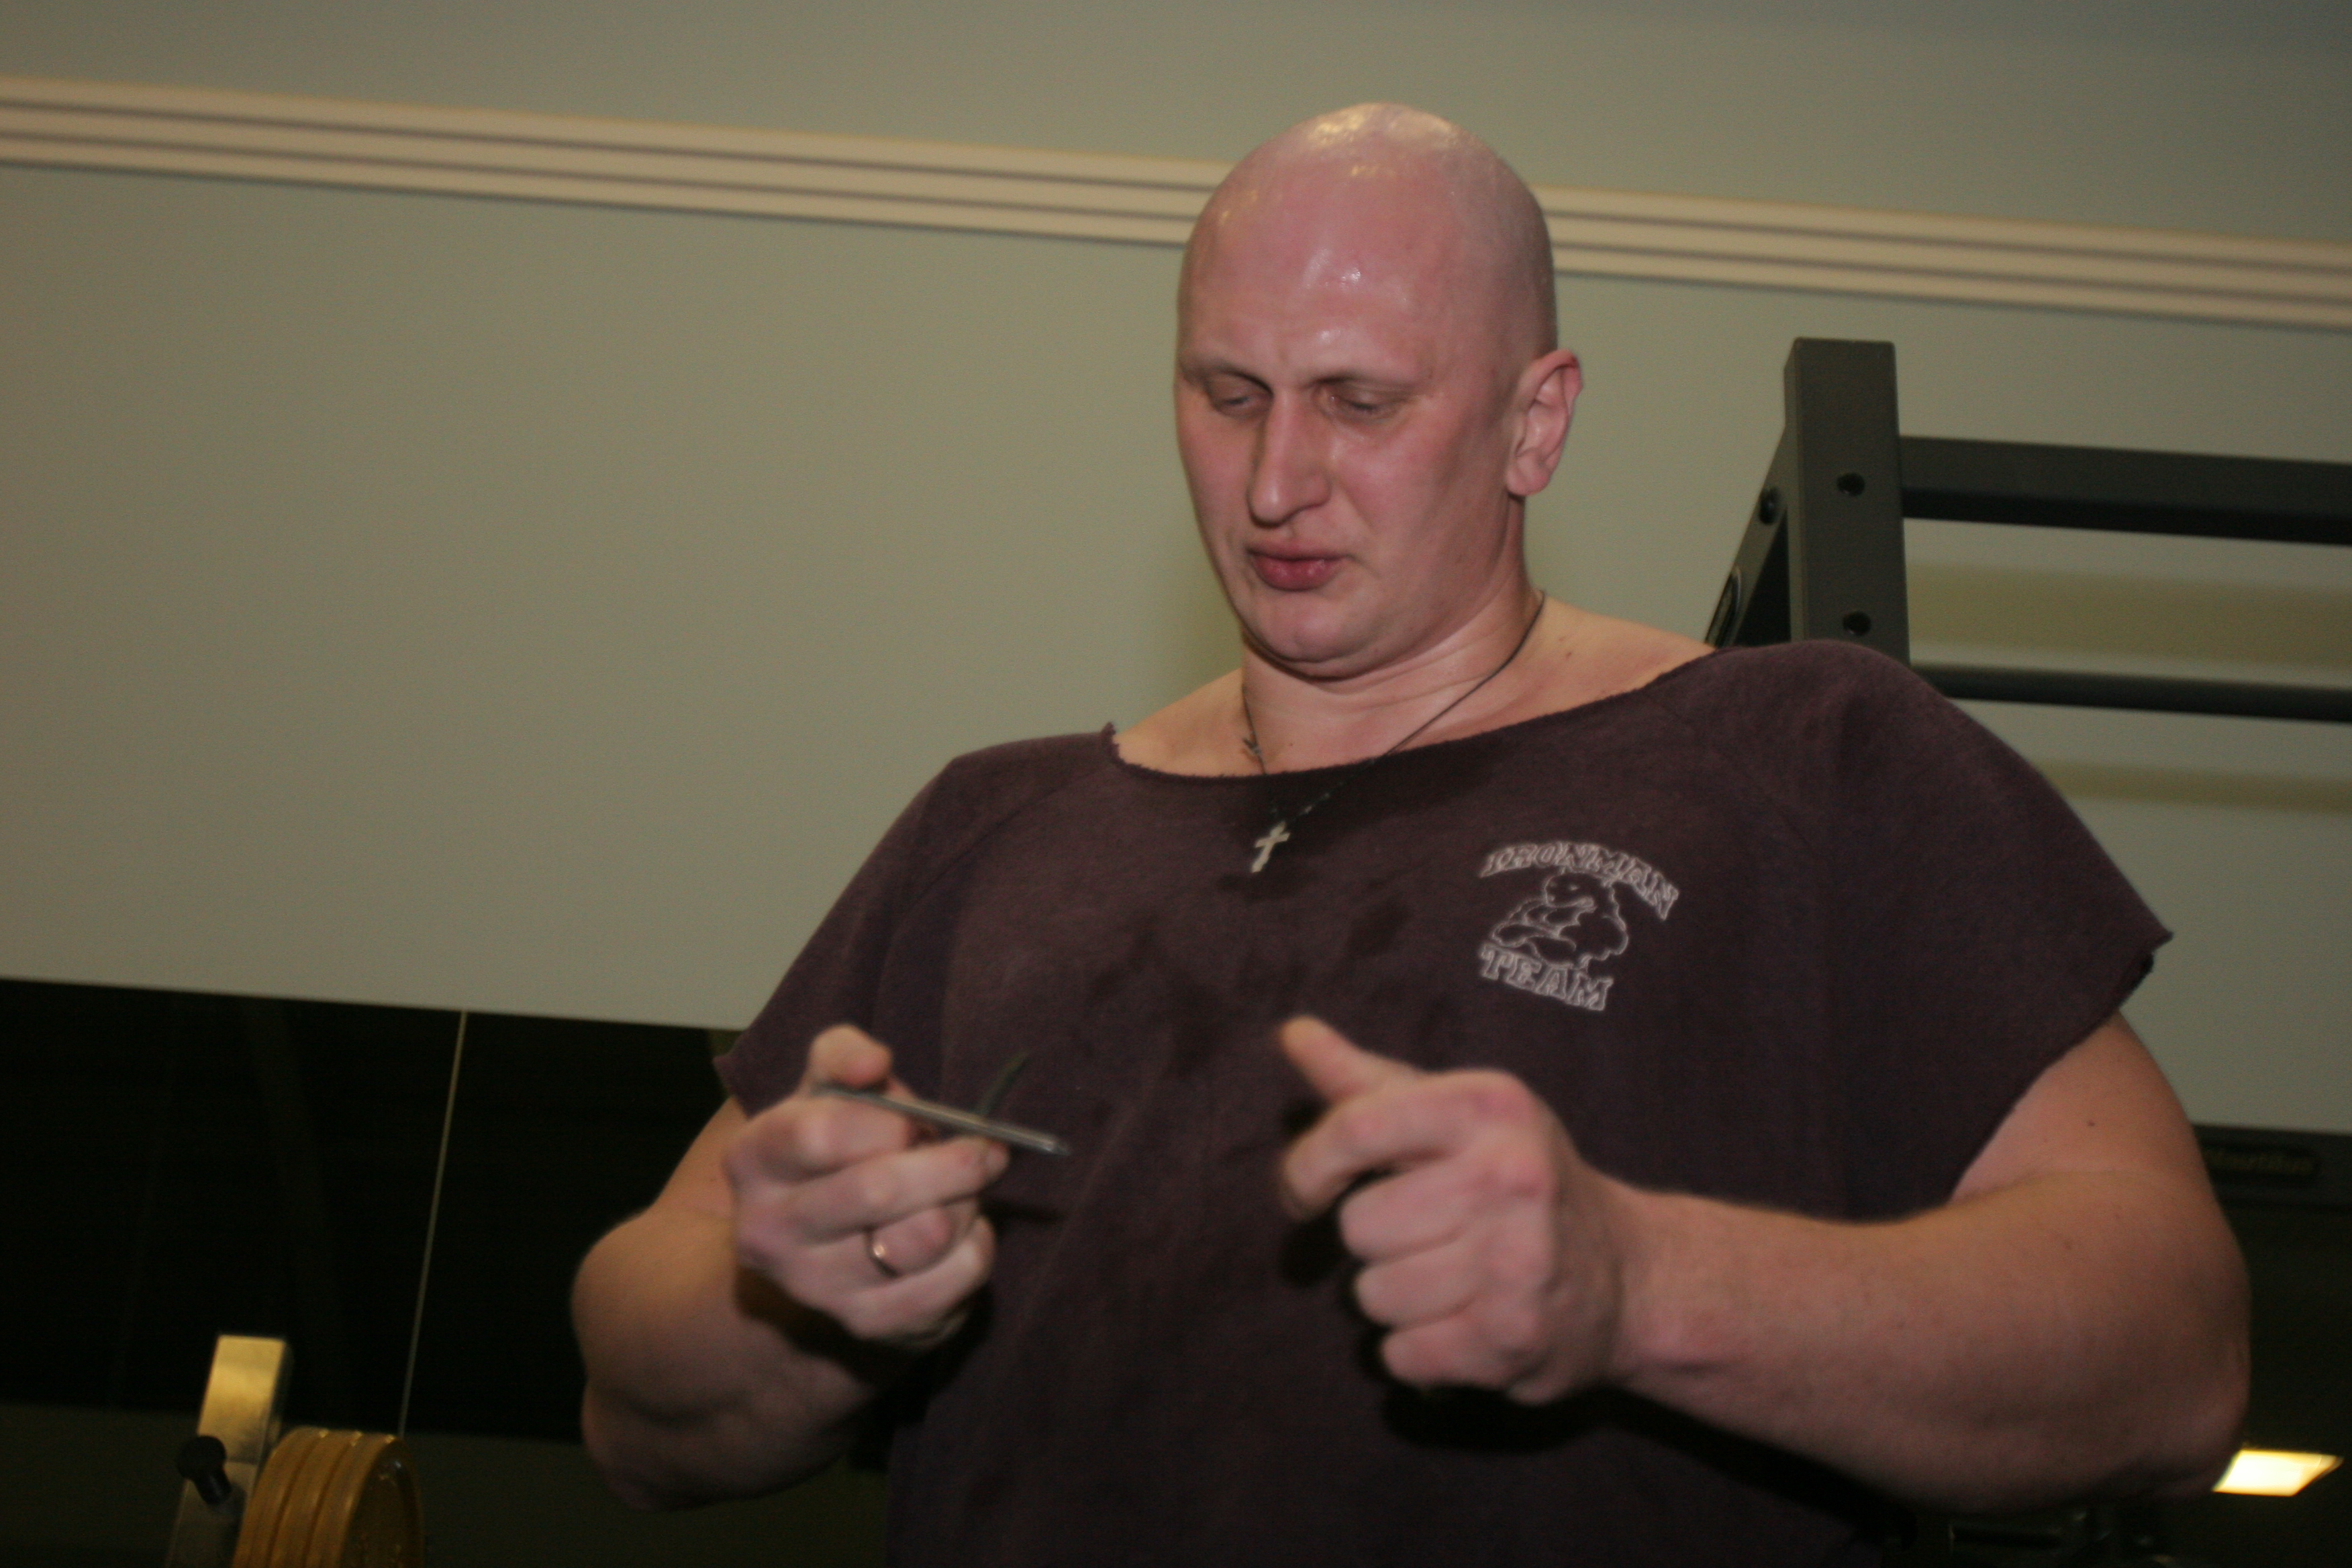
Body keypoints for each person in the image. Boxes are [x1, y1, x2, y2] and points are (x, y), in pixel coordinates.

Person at [573, 104, 2248, 1565]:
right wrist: (791, 1299)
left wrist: (1639, 1283)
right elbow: (633, 1410)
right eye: (1228, 393)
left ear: (1537, 421)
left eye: (1360, 402)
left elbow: (2172, 1347)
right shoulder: (991, 824)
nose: (1274, 481)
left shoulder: (1802, 753)